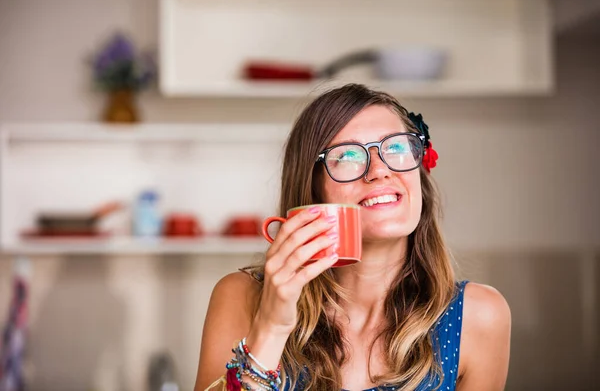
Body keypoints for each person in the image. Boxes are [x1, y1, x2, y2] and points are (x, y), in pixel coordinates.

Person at [194, 84, 511, 391]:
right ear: (312, 187)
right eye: (347, 157)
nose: (379, 171)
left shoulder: (479, 316)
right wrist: (272, 328)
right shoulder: (242, 298)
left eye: (397, 147)